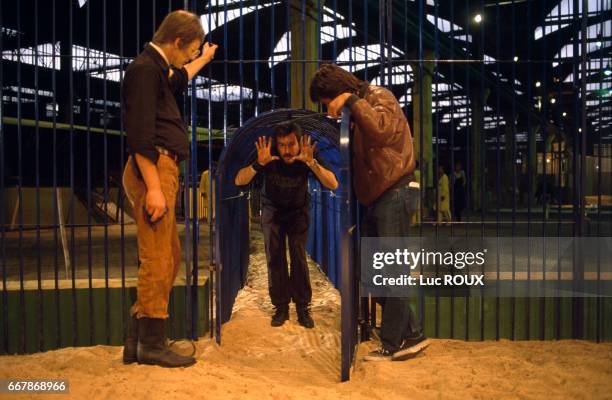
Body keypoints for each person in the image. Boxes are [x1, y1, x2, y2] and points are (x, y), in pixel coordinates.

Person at [310, 64, 428, 361]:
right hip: (378, 198)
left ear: (338, 92)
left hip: (395, 191)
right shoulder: (357, 110)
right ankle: (412, 334)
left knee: (393, 271)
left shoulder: (379, 97)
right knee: (377, 272)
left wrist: (351, 101)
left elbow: (380, 131)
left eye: (328, 101)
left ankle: (393, 343)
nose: (331, 109)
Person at [122, 10, 218, 368]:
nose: (190, 57)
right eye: (191, 50)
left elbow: (180, 79)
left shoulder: (158, 70)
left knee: (169, 257)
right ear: (177, 41)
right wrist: (154, 189)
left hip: (162, 168)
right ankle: (151, 344)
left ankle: (136, 341)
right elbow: (140, 135)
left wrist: (205, 59)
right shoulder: (145, 70)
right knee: (157, 258)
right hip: (154, 168)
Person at [234, 122, 338, 328]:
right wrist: (258, 164)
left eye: (291, 144)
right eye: (282, 145)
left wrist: (312, 163)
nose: (287, 150)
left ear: (299, 142)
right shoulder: (268, 154)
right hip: (273, 209)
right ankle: (281, 307)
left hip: (298, 209)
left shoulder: (307, 155)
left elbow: (333, 183)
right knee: (275, 256)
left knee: (298, 255)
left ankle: (302, 308)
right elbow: (239, 180)